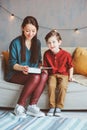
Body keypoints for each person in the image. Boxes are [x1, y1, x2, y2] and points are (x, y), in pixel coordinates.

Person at [6, 16, 48, 118]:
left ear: (37, 30)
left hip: (31, 73)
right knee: (36, 77)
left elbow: (38, 61)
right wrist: (22, 68)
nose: (30, 34)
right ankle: (19, 106)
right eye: (27, 31)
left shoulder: (37, 43)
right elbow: (12, 64)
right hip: (15, 73)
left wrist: (41, 67)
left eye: (33, 31)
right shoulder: (15, 43)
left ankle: (32, 107)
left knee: (44, 75)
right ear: (22, 28)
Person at [43, 29, 74, 116]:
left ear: (59, 42)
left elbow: (71, 66)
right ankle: (52, 107)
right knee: (51, 86)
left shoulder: (66, 54)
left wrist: (70, 76)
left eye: (53, 42)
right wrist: (44, 73)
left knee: (63, 86)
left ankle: (59, 107)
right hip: (52, 74)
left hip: (63, 74)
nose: (51, 45)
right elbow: (45, 67)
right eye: (49, 43)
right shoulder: (46, 54)